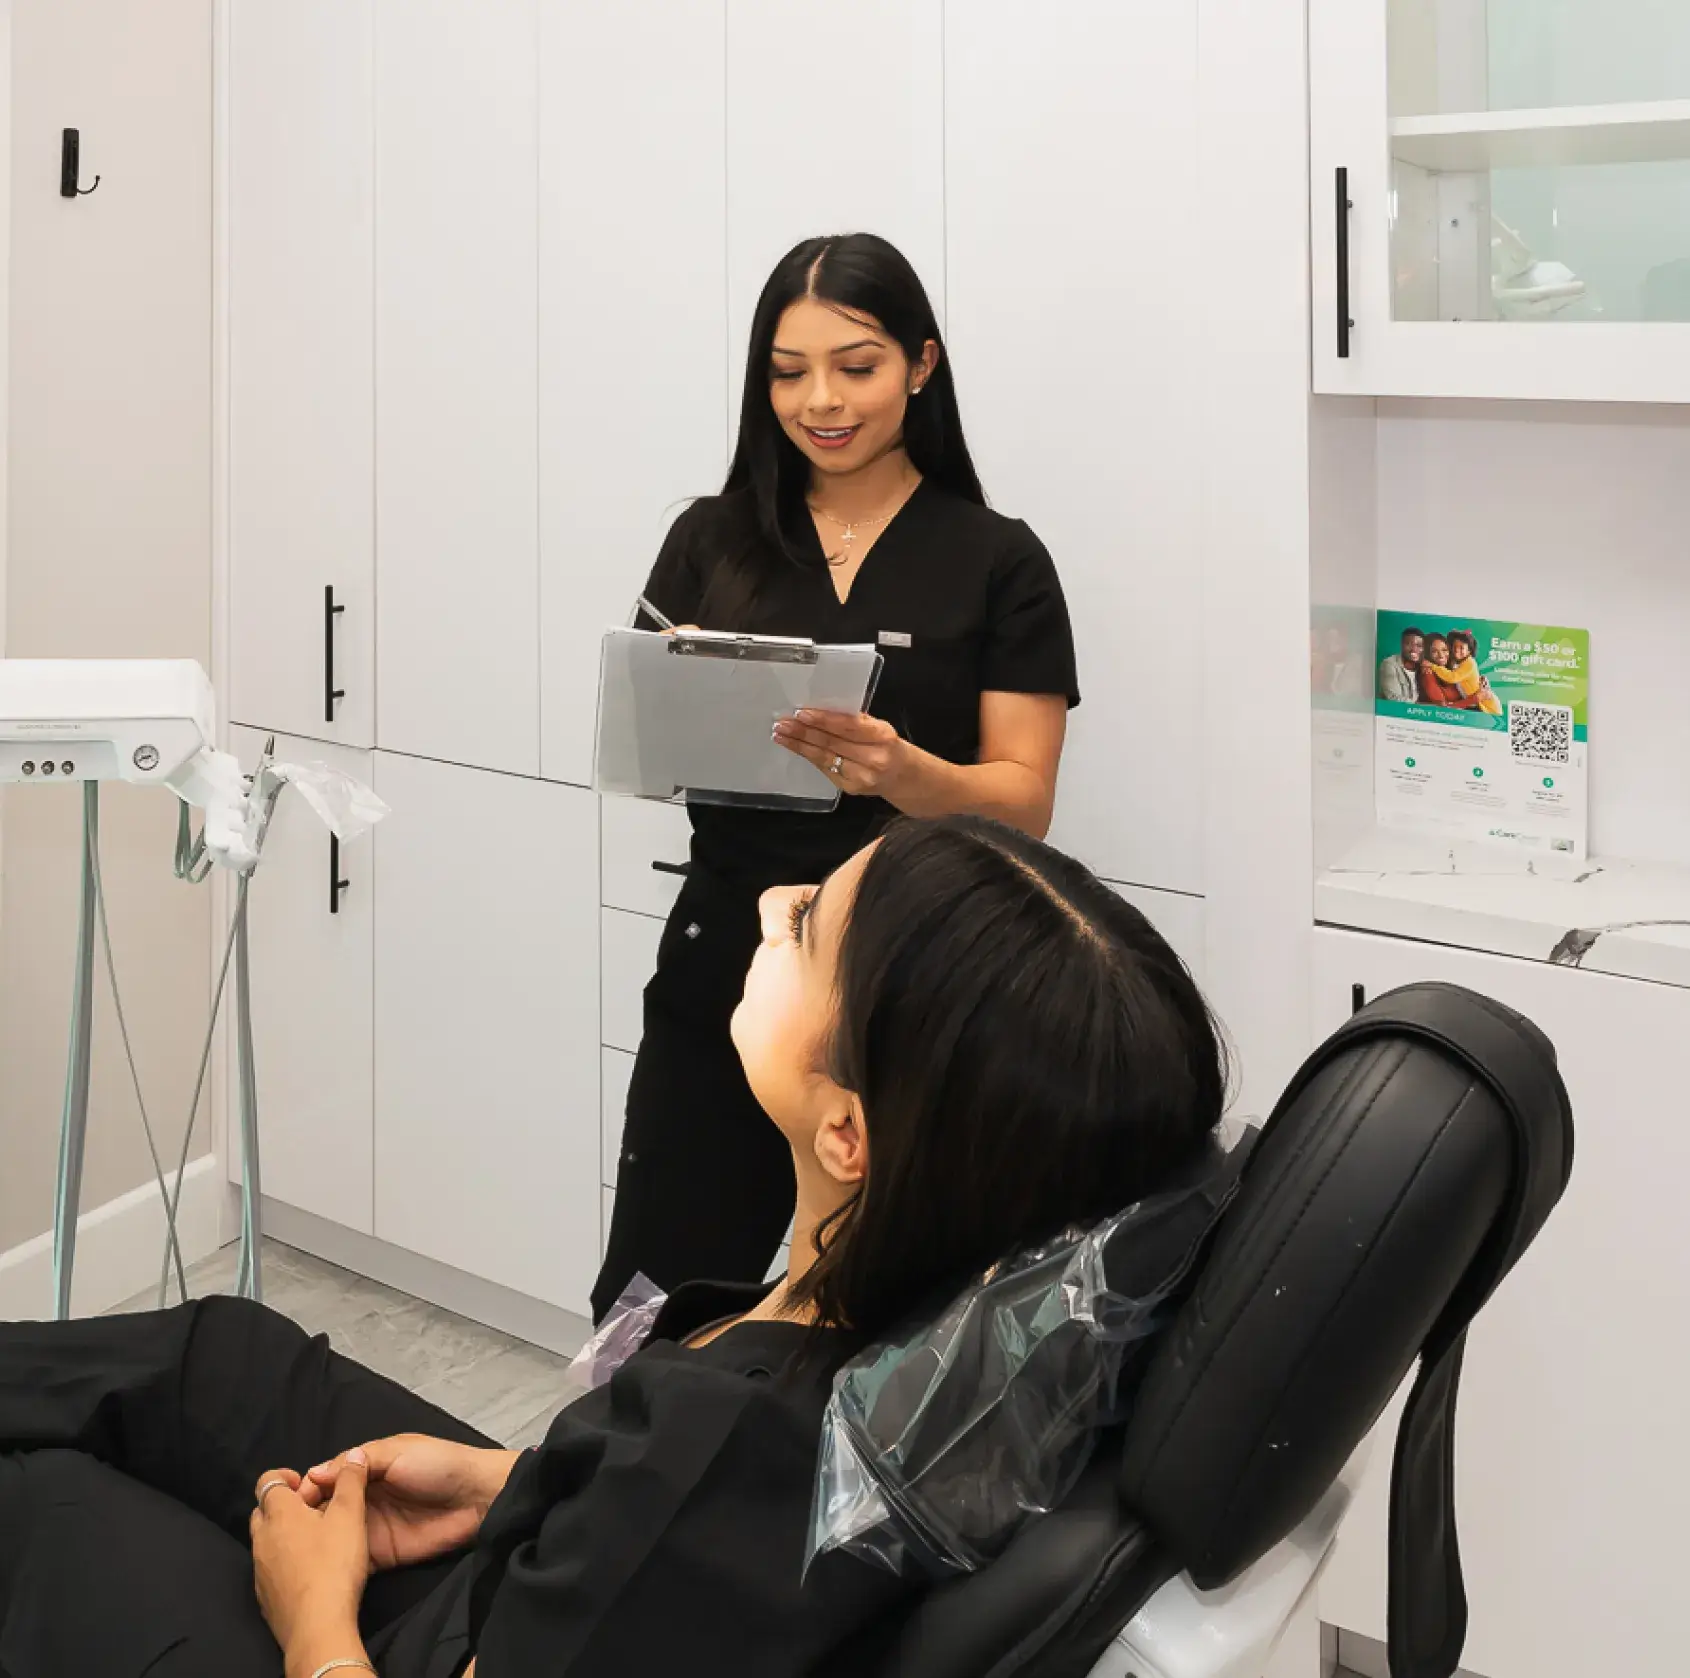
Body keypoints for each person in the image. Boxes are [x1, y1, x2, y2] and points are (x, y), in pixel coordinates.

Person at [0, 816, 1225, 1678]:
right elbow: (674, 1551)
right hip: (553, 1573)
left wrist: (314, 1613)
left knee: (48, 1501)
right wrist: (512, 1488)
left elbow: (678, 1535)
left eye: (803, 928)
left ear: (847, 1130)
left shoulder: (728, 1451)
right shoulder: (907, 1321)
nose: (765, 905)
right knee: (219, 1351)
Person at [597, 232, 1080, 1321]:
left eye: (855, 366)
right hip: (731, 957)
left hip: (914, 977)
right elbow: (646, 725)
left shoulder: (997, 560)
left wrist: (907, 773)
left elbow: (1026, 803)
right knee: (657, 1286)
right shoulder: (710, 539)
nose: (820, 399)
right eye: (786, 370)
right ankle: (610, 1472)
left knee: (890, 1307)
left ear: (921, 363)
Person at [1421, 630, 1501, 716]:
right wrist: (1474, 699)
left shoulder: (1467, 663)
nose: (1456, 650)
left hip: (1487, 707)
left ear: (1469, 651)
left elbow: (1453, 677)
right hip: (1474, 705)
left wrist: (1483, 682)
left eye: (1444, 650)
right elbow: (1442, 710)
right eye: (1454, 647)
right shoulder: (1429, 674)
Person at [1378, 625, 1424, 704]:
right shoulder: (1389, 664)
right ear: (1401, 645)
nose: (1414, 649)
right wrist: (1422, 707)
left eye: (1419, 645)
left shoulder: (1423, 667)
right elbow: (1393, 698)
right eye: (1408, 644)